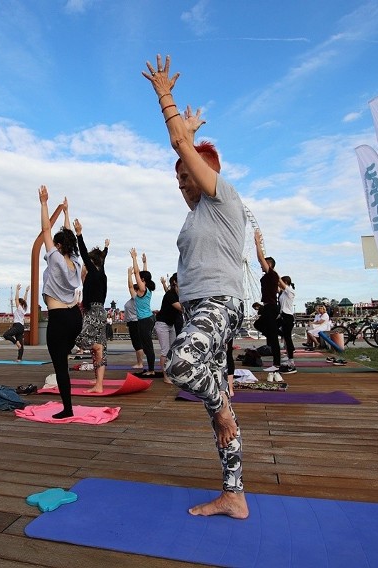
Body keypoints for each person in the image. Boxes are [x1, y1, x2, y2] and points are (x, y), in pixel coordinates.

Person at [144, 54, 248, 518]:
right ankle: (235, 493)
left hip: (223, 303)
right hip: (202, 308)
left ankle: (223, 402)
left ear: (206, 173)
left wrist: (165, 98)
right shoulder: (193, 221)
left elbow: (180, 145)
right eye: (178, 179)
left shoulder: (222, 196)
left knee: (182, 365)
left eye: (186, 174)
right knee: (214, 409)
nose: (181, 183)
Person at [39, 187, 83, 419]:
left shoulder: (55, 258)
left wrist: (44, 203)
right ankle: (67, 404)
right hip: (75, 317)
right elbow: (70, 237)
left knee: (60, 367)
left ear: (58, 246)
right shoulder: (74, 261)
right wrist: (66, 212)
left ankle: (67, 408)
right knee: (62, 357)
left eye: (56, 243)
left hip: (58, 319)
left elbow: (46, 229)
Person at [73, 218, 109, 393]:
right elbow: (101, 259)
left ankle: (96, 346)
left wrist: (79, 234)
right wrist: (106, 249)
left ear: (92, 263)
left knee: (81, 339)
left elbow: (84, 253)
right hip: (101, 311)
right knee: (100, 352)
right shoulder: (102, 275)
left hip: (93, 311)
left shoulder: (94, 272)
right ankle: (99, 384)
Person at [253, 230, 282, 373]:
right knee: (258, 324)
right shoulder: (273, 276)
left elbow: (260, 258)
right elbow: (278, 288)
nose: (261, 265)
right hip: (268, 307)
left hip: (271, 307)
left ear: (269, 264)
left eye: (265, 263)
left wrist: (257, 243)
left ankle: (276, 364)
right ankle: (275, 333)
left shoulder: (271, 273)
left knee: (273, 337)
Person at [131, 249, 157, 376]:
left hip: (145, 320)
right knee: (147, 345)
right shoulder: (148, 289)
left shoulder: (142, 289)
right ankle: (150, 368)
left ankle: (151, 370)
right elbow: (143, 274)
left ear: (142, 280)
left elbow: (137, 273)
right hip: (149, 318)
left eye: (140, 278)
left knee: (148, 346)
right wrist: (144, 262)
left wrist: (134, 258)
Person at [155, 273, 183, 384]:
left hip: (170, 325)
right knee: (165, 351)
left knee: (173, 350)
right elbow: (180, 308)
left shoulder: (178, 294)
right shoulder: (170, 294)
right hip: (162, 324)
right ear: (175, 282)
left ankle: (171, 373)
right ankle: (166, 376)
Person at [124, 269, 144, 370]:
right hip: (134, 322)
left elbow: (130, 286)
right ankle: (139, 362)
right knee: (137, 343)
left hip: (135, 322)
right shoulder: (136, 299)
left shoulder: (136, 297)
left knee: (138, 344)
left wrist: (129, 275)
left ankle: (140, 363)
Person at [3, 284, 30, 361]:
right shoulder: (23, 309)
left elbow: (16, 299)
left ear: (20, 304)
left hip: (17, 326)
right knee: (21, 344)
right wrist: (26, 291)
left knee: (6, 335)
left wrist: (17, 290)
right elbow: (25, 300)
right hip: (21, 327)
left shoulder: (20, 308)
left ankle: (16, 342)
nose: (16, 304)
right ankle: (19, 358)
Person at [277, 275, 297, 374]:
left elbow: (279, 281)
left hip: (288, 317)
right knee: (283, 336)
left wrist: (272, 270)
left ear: (285, 282)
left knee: (287, 338)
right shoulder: (282, 294)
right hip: (283, 316)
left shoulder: (290, 291)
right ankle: (290, 356)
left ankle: (291, 363)